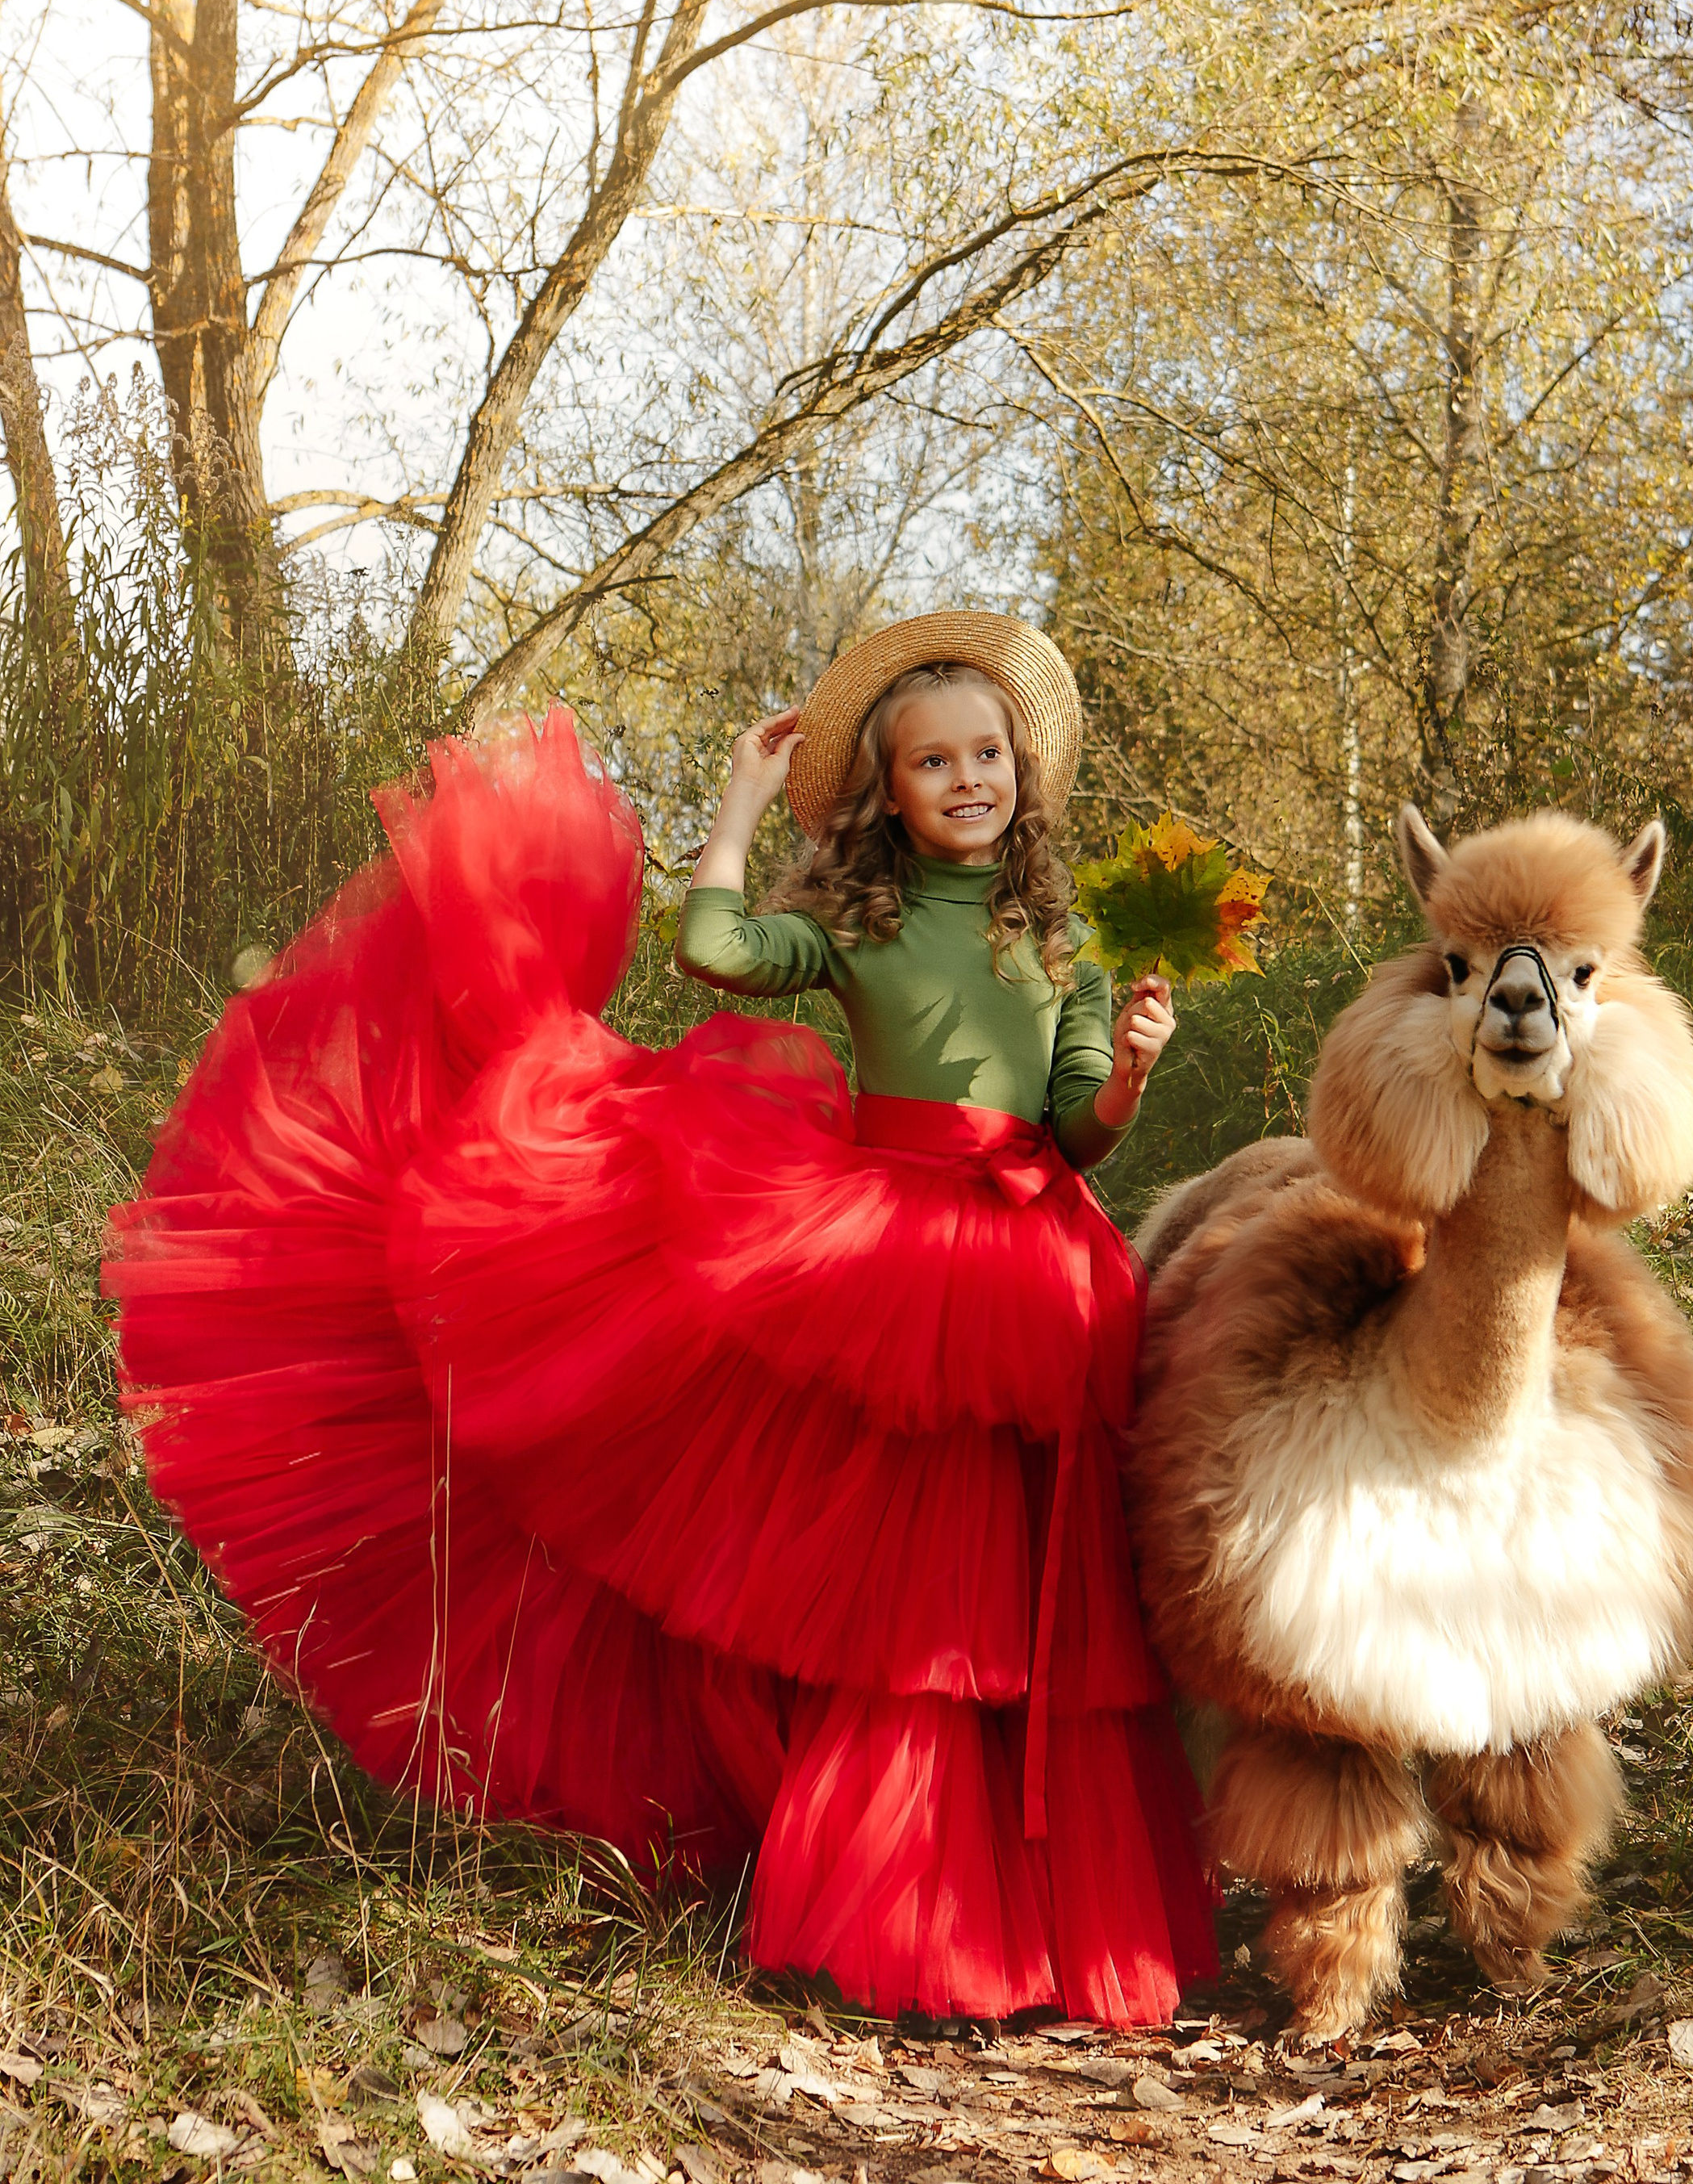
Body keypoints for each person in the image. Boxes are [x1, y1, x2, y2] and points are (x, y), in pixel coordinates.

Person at [104, 609, 1217, 2025]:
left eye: (987, 753)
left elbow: (1075, 1133)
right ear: (890, 789)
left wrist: (1125, 1071)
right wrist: (744, 804)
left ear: (1024, 773)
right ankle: (903, 1914)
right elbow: (715, 948)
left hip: (1033, 1268)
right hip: (886, 1258)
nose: (967, 778)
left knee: (1024, 1598)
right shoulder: (860, 923)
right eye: (932, 761)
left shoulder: (1061, 941)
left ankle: (1039, 1917)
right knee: (904, 1598)